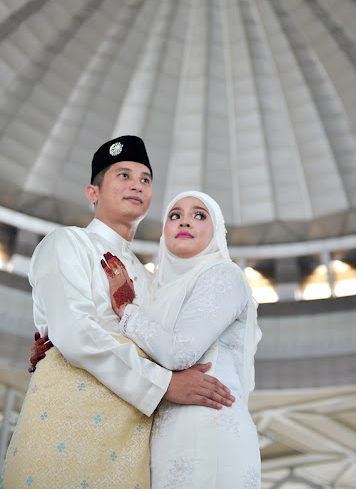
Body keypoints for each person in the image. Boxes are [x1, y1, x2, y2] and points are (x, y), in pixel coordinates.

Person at [1, 136, 234, 489]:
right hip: (67, 417)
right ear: (92, 192)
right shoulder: (67, 243)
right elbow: (75, 335)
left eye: (145, 179)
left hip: (132, 433)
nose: (137, 185)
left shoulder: (149, 280)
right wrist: (164, 384)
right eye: (123, 175)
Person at [102, 190, 262, 488]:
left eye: (199, 215)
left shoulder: (223, 274)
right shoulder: (154, 293)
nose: (185, 222)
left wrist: (126, 309)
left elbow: (180, 352)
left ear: (217, 231)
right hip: (164, 432)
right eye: (175, 216)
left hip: (209, 427)